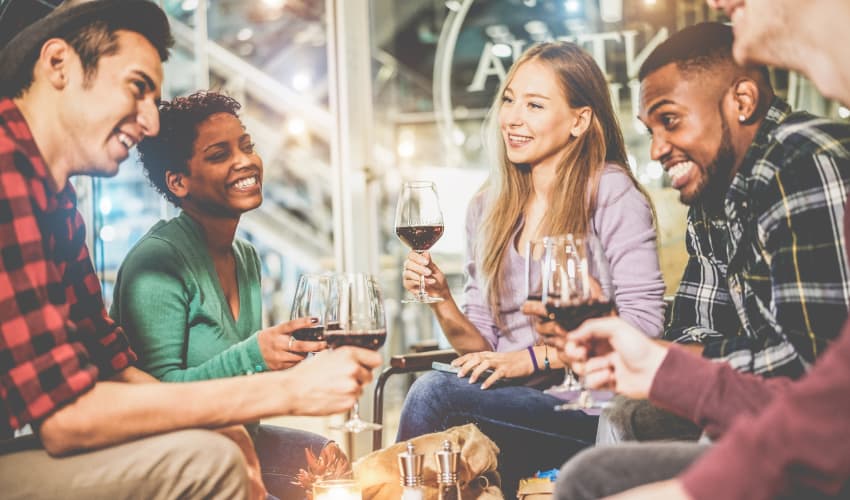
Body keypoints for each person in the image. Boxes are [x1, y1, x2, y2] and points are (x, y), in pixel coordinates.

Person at [0, 2, 380, 499]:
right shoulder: (9, 171)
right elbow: (65, 417)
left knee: (234, 449)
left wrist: (226, 425)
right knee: (208, 462)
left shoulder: (57, 200)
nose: (149, 124)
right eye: (137, 88)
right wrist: (280, 390)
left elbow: (115, 364)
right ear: (58, 65)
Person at [552, 1, 850, 499]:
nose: (656, 149)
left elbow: (813, 375)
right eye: (651, 130)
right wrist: (650, 360)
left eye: (670, 121)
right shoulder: (716, 197)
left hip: (817, 432)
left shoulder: (800, 160)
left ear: (742, 102)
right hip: (792, 413)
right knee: (622, 422)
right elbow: (698, 325)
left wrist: (665, 366)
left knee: (593, 474)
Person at [397, 41, 665, 495]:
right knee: (441, 391)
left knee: (433, 395)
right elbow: (482, 346)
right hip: (513, 405)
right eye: (508, 99)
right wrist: (441, 301)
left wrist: (532, 360)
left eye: (534, 105)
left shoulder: (610, 192)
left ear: (579, 120)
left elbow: (643, 325)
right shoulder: (488, 206)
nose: (512, 118)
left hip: (588, 407)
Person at [110, 91, 339, 500]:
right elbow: (157, 395)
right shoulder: (158, 261)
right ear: (179, 182)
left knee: (330, 459)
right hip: (178, 451)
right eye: (219, 155)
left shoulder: (247, 257)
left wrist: (276, 360)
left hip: (236, 434)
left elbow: (237, 374)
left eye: (247, 146)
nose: (246, 161)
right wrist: (254, 356)